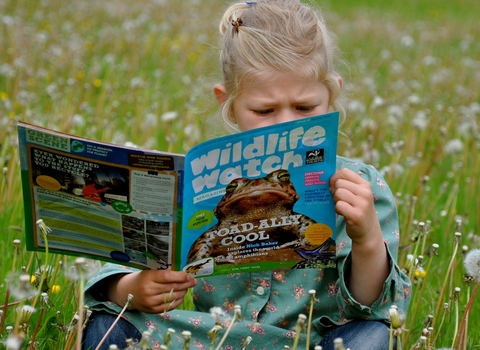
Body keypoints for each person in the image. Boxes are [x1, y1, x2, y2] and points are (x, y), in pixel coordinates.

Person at [82, 1, 411, 349]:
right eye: (264, 110)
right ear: (229, 103)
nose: (287, 124)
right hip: (212, 338)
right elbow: (121, 273)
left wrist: (368, 239)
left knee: (373, 335)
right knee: (110, 321)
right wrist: (131, 288)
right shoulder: (198, 181)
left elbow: (372, 305)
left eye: (305, 107)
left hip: (313, 342)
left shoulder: (356, 184)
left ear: (331, 96)